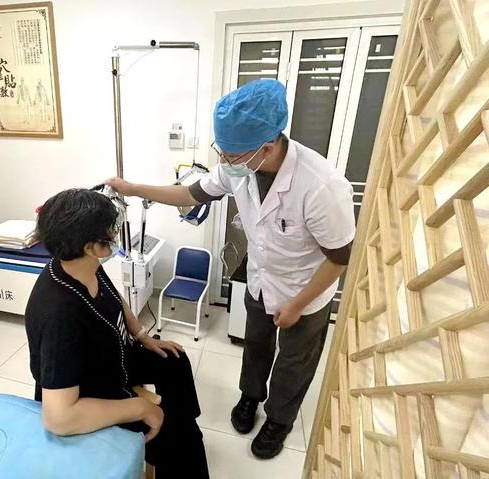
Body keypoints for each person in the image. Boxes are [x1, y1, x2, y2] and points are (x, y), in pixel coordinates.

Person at [106, 79, 355, 459]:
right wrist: (134, 188)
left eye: (231, 155)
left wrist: (297, 304)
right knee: (255, 344)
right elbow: (190, 194)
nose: (223, 162)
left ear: (267, 147)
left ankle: (279, 419)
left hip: (306, 288)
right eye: (221, 151)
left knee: (294, 360)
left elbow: (339, 258)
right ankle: (250, 396)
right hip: (260, 278)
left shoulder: (322, 187)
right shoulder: (240, 166)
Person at [25, 188, 209, 478]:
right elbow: (58, 418)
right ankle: (174, 438)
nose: (115, 233)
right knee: (181, 441)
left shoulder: (81, 263)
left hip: (110, 357)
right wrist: (140, 408)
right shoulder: (60, 316)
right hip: (87, 395)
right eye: (111, 229)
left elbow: (115, 299)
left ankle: (185, 422)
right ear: (91, 246)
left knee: (174, 360)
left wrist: (142, 335)